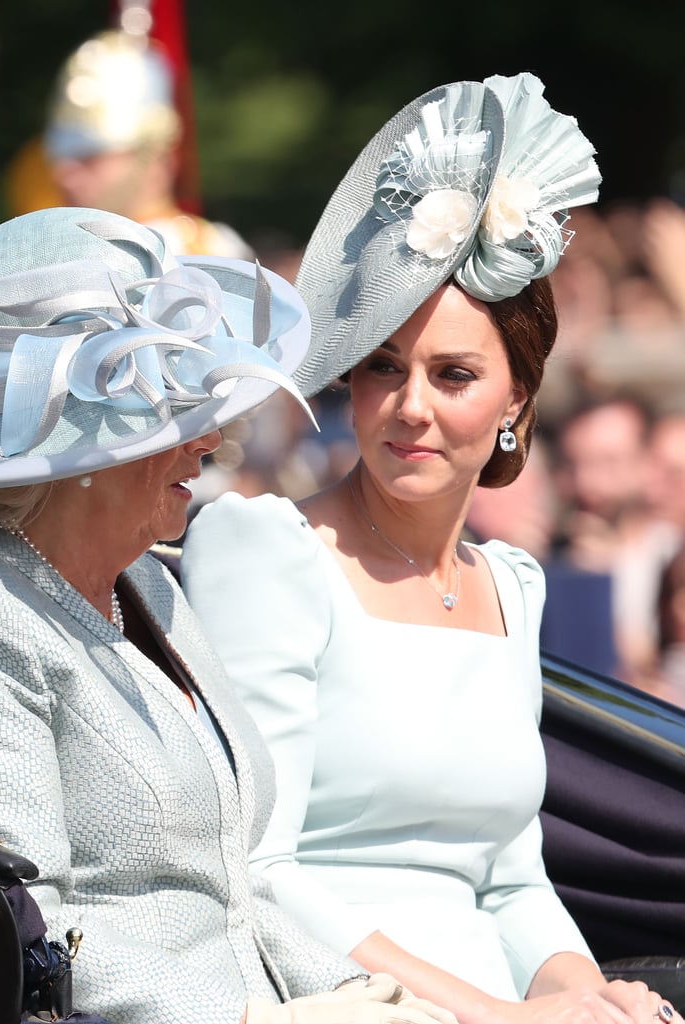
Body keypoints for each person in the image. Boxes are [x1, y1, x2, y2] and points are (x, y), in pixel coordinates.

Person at [0, 206, 455, 1024]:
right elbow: (25, 929)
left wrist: (347, 990)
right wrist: (258, 1022)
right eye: (162, 422)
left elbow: (230, 895)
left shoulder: (150, 583)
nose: (208, 440)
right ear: (71, 459)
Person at [181, 73, 682, 1024]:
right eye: (382, 368)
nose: (410, 407)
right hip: (335, 999)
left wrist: (593, 997)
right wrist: (494, 1016)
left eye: (453, 375)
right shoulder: (266, 548)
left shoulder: (512, 584)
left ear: (516, 405)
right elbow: (259, 868)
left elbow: (511, 879)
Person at [8, 18, 252, 260]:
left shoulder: (206, 255)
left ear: (154, 157)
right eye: (62, 158)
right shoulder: (47, 253)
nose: (63, 174)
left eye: (89, 157)